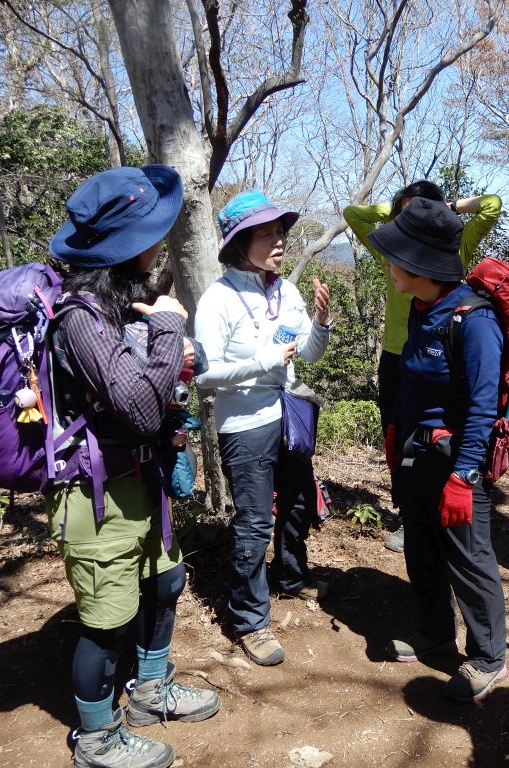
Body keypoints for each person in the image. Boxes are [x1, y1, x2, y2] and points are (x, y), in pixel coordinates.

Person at [47, 165, 219, 768]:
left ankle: (150, 690)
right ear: (127, 245)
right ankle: (95, 736)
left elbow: (143, 398)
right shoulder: (81, 314)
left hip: (141, 480)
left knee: (165, 581)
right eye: (153, 232)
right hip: (95, 493)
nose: (161, 242)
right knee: (107, 620)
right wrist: (172, 329)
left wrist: (172, 354)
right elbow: (141, 409)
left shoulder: (122, 303)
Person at [369, 197, 507, 703]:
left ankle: (489, 656)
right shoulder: (424, 310)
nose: (387, 262)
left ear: (417, 264)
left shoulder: (473, 321)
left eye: (394, 255)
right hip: (415, 454)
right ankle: (435, 635)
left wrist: (464, 476)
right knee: (420, 549)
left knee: (469, 559)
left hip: (454, 462)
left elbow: (481, 407)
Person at [193, 189, 331, 667]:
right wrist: (267, 360)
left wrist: (321, 324)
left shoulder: (285, 290)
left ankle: (292, 576)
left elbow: (307, 356)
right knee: (254, 522)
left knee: (296, 503)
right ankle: (251, 619)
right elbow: (204, 375)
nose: (278, 241)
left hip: (288, 415)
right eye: (267, 234)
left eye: (280, 232)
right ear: (239, 242)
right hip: (245, 424)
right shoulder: (218, 299)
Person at [344, 183, 502, 553]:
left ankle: (457, 497)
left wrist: (445, 208)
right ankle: (408, 512)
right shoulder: (392, 249)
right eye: (405, 215)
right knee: (398, 435)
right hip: (396, 355)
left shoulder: (452, 249)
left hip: (440, 353)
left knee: (443, 430)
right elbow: (353, 214)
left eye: (420, 213)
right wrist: (399, 214)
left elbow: (492, 204)